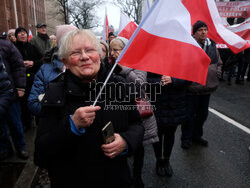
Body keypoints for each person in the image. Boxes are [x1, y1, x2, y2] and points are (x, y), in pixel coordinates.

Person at [34, 29, 144, 187]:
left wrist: (126, 142)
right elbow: (41, 152)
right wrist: (70, 125)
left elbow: (137, 125)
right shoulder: (55, 91)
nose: (84, 57)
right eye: (76, 52)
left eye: (90, 50)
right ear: (65, 62)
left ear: (99, 55)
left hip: (115, 179)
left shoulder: (121, 85)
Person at [110, 37, 158, 188]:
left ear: (125, 50)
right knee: (120, 144)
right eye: (111, 50)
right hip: (118, 110)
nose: (112, 53)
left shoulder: (138, 62)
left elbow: (140, 85)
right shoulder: (110, 64)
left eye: (116, 50)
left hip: (137, 109)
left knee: (138, 145)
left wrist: (124, 69)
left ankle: (137, 177)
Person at [181, 20, 222, 149]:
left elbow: (218, 62)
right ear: (194, 33)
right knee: (189, 115)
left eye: (205, 29)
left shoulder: (212, 46)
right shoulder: (189, 46)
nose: (204, 32)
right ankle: (186, 138)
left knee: (203, 114)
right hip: (192, 88)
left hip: (207, 87)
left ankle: (196, 136)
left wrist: (217, 72)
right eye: (200, 30)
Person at [28, 24, 77, 116]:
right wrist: (60, 113)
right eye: (70, 37)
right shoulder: (45, 69)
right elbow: (33, 103)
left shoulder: (87, 65)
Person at [148, 73, 190, 177]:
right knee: (157, 134)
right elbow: (145, 80)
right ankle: (159, 160)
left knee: (170, 134)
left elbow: (189, 79)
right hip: (157, 102)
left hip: (175, 104)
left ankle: (166, 160)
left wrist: (173, 80)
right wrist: (160, 81)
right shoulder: (152, 59)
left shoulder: (182, 61)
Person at [0, 36, 28, 160]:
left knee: (15, 122)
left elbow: (18, 66)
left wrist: (20, 87)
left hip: (9, 91)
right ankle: (5, 148)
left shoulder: (6, 44)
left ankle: (21, 147)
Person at [15, 27, 43, 131]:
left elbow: (42, 59)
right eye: (20, 33)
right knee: (24, 103)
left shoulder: (32, 47)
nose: (23, 35)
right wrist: (21, 64)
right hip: (21, 81)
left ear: (27, 35)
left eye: (24, 33)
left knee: (37, 99)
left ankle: (38, 122)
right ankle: (27, 124)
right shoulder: (13, 48)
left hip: (34, 78)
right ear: (16, 36)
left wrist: (33, 63)